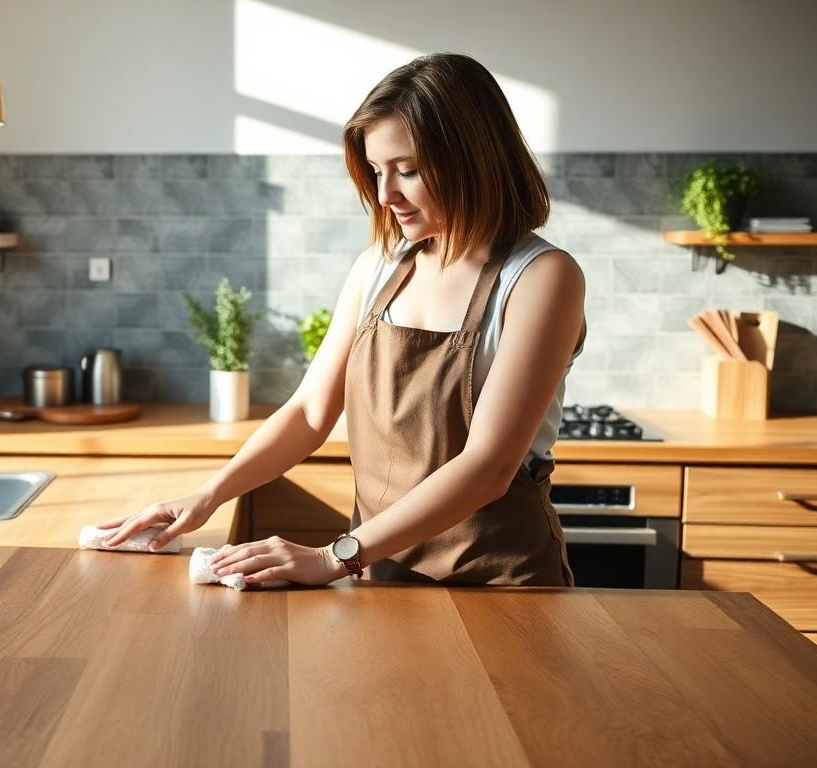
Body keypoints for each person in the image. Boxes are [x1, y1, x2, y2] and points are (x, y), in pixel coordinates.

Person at [98, 52, 585, 587]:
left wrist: (334, 558)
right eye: (377, 171)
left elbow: (488, 467)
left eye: (409, 170)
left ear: (473, 158)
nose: (384, 195)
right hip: (383, 574)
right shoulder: (379, 266)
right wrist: (208, 494)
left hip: (500, 585)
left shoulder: (542, 277)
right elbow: (310, 412)